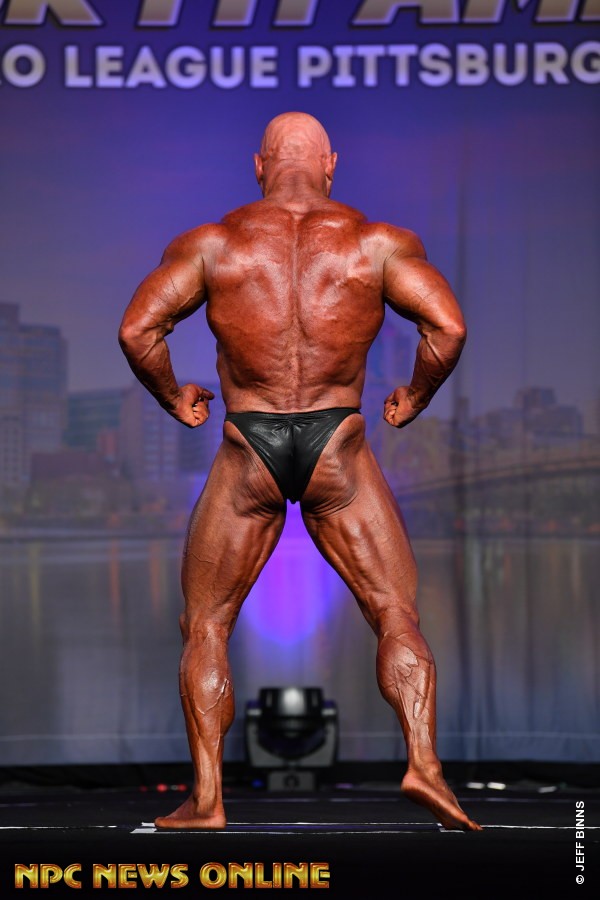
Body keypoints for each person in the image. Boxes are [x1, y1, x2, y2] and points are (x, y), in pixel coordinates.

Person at [118, 112, 481, 832]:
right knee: (394, 612)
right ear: (332, 164)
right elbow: (448, 327)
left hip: (248, 444)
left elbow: (138, 329)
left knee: (207, 624)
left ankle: (208, 799)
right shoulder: (377, 243)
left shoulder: (212, 244)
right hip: (336, 442)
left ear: (258, 166)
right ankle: (424, 765)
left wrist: (173, 395)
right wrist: (415, 395)